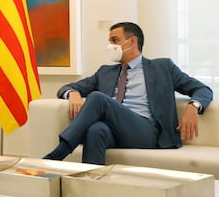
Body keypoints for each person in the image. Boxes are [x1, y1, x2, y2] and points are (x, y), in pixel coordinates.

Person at [43, 22, 213, 165]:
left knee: (97, 98)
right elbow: (66, 87)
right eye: (109, 41)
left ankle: (61, 152)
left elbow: (203, 89)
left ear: (132, 42)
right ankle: (91, 187)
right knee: (95, 130)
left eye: (115, 40)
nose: (110, 46)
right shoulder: (105, 72)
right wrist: (72, 93)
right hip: (117, 130)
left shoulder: (163, 67)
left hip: (148, 131)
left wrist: (193, 106)